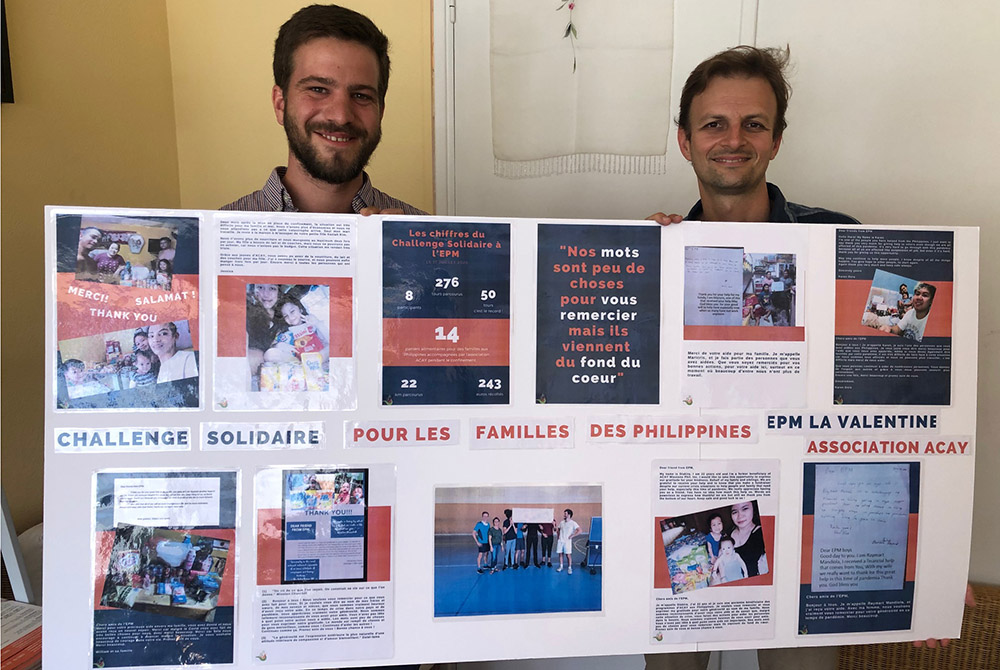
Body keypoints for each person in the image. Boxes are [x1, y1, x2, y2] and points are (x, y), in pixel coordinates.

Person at [223, 4, 424, 216]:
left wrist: (407, 249)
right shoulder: (211, 239)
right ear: (280, 104)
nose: (341, 116)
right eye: (318, 89)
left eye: (361, 96)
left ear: (380, 111)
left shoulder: (426, 239)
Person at [265, 293, 329, 362]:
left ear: (300, 309)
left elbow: (330, 341)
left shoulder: (312, 325)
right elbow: (272, 349)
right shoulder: (286, 334)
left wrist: (317, 323)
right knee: (270, 353)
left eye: (292, 311)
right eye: (286, 316)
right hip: (300, 364)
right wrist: (278, 345)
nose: (290, 317)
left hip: (321, 358)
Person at [729, 501, 768, 577]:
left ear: (754, 509)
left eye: (745, 508)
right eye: (735, 512)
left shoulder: (762, 534)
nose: (740, 516)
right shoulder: (727, 533)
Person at [555, 508, 581, 574]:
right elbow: (557, 530)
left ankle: (569, 568)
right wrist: (558, 536)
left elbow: (580, 530)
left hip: (567, 542)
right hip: (561, 541)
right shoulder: (561, 522)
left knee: (568, 555)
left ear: (569, 515)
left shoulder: (573, 523)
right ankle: (561, 566)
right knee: (560, 554)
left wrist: (573, 535)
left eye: (565, 513)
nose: (564, 515)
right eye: (564, 513)